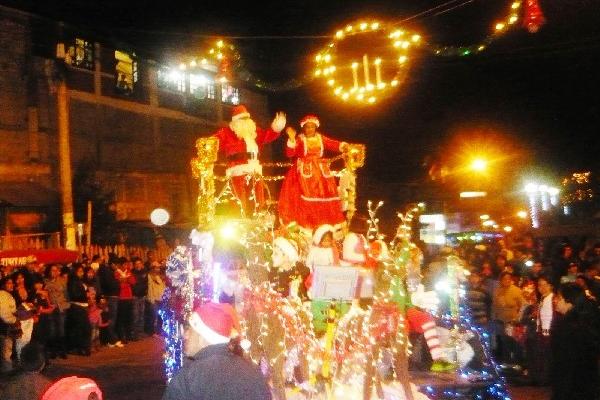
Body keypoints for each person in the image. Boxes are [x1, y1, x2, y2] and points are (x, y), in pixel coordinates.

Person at [162, 302, 271, 400]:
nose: (185, 335)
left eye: (189, 330)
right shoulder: (253, 374)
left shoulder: (188, 379)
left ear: (202, 336)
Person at [278, 115, 348, 231]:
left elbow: (333, 144)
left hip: (321, 172)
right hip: (305, 172)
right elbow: (290, 153)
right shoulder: (300, 139)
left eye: (312, 127)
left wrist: (345, 147)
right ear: (304, 128)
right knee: (306, 195)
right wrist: (291, 139)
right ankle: (308, 224)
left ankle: (326, 224)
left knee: (326, 194)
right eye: (307, 127)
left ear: (316, 127)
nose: (310, 129)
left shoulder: (321, 138)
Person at [212, 105, 286, 213]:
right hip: (237, 171)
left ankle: (258, 220)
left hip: (254, 170)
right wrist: (207, 144)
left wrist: (277, 127)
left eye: (247, 119)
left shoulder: (255, 133)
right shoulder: (226, 133)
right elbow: (213, 141)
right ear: (235, 122)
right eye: (242, 119)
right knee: (238, 200)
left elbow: (268, 135)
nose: (245, 122)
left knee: (258, 199)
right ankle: (239, 222)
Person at [551, 283, 600, 400]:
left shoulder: (570, 326)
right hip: (584, 383)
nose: (555, 300)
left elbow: (565, 363)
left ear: (569, 302)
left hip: (571, 385)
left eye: (559, 297)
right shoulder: (585, 321)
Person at [66, 264, 92, 356]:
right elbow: (74, 295)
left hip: (83, 306)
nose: (81, 273)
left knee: (83, 328)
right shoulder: (73, 282)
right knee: (84, 328)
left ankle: (84, 347)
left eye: (82, 271)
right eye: (79, 271)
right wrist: (85, 295)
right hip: (77, 306)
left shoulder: (81, 281)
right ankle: (82, 348)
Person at [0, 276, 17, 373]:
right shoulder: (3, 295)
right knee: (6, 350)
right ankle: (7, 371)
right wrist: (14, 320)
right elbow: (4, 314)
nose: (11, 285)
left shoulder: (7, 295)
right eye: (9, 283)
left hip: (4, 326)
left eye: (12, 283)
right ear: (3, 285)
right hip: (4, 327)